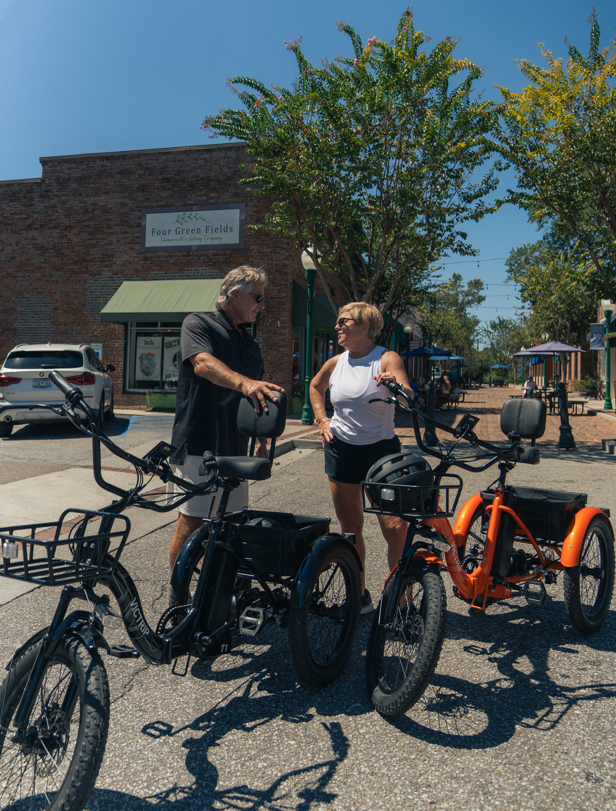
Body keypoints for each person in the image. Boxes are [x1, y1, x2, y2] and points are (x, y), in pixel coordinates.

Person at [168, 266, 285, 573]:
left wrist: (260, 440)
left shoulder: (249, 340)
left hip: (235, 447)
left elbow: (256, 393)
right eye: (257, 297)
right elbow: (203, 364)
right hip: (199, 443)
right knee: (193, 521)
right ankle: (178, 598)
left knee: (228, 523)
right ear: (235, 294)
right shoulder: (198, 323)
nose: (262, 304)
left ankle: (214, 597)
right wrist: (245, 383)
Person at [309, 302, 414, 614]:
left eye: (345, 321)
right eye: (338, 321)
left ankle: (401, 599)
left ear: (365, 327)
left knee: (396, 529)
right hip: (342, 451)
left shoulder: (385, 357)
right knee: (351, 526)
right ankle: (359, 596)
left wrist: (395, 386)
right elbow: (315, 387)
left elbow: (406, 387)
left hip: (381, 453)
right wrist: (321, 420)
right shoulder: (335, 362)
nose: (338, 326)